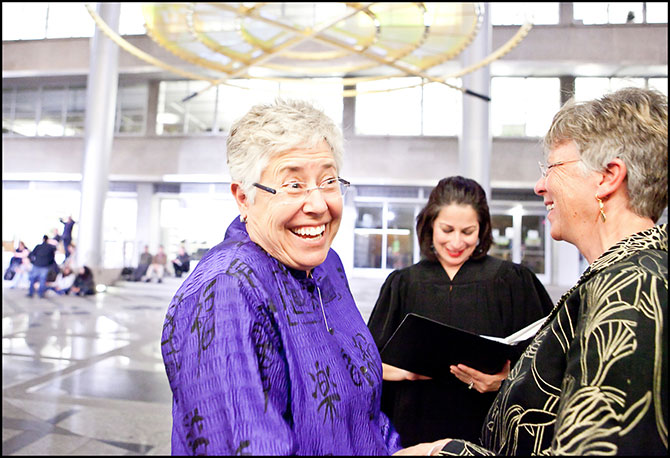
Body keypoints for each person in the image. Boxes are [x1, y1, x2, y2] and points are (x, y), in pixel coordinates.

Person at [396, 87, 668, 456]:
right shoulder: (617, 277)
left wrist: (444, 452)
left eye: (552, 168)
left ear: (608, 177)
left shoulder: (632, 290)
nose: (540, 185)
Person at [160, 99, 401, 455]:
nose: (318, 205)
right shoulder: (226, 291)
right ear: (244, 198)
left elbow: (361, 414)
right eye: (293, 185)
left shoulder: (327, 266)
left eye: (328, 181)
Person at [367, 176, 554, 447]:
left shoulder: (512, 281)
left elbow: (548, 361)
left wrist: (504, 381)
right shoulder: (403, 283)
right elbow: (365, 365)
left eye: (467, 232)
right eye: (447, 229)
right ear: (431, 225)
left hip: (487, 433)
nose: (456, 242)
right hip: (415, 432)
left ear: (482, 230)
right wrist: (404, 372)